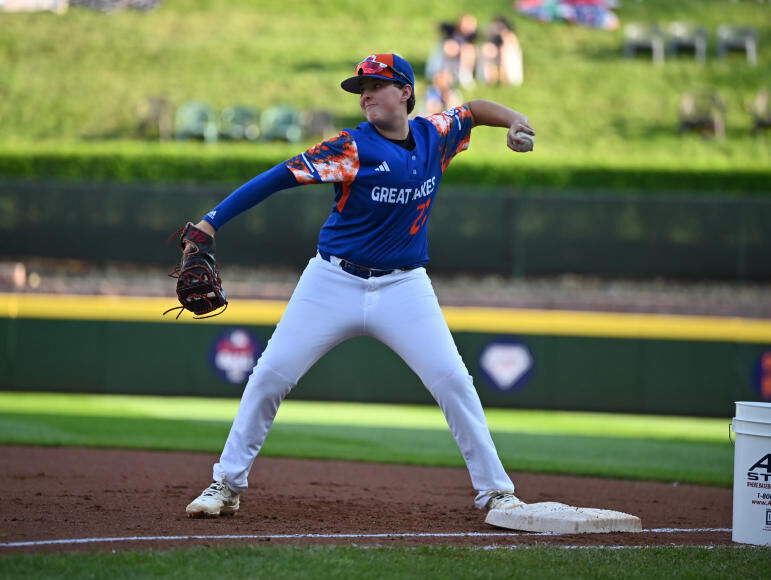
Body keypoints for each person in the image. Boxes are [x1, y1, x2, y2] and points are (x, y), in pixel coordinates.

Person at [184, 53, 535, 519]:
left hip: (405, 287)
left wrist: (515, 119)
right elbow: (276, 178)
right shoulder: (351, 147)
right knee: (270, 375)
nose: (365, 93)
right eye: (360, 87)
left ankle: (496, 492)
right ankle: (225, 484)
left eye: (375, 84)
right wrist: (211, 222)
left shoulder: (436, 134)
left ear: (405, 92)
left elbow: (472, 110)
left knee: (455, 382)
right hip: (332, 281)